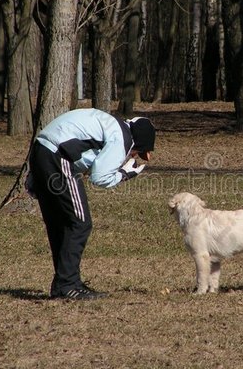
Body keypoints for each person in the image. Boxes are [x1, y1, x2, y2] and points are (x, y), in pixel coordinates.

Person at [27, 108, 155, 300]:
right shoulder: (123, 137)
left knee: (60, 224)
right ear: (137, 143)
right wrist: (125, 174)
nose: (132, 156)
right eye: (137, 153)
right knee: (80, 223)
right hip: (58, 157)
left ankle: (64, 284)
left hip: (41, 151)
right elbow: (100, 178)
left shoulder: (111, 123)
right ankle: (68, 285)